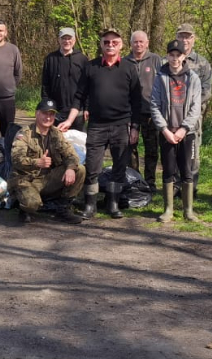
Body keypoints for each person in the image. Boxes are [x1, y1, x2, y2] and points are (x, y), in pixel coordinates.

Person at [62, 27, 142, 219]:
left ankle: (113, 205)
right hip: (97, 126)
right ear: (101, 45)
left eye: (114, 43)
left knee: (119, 167)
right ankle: (91, 205)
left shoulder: (129, 68)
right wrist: (70, 120)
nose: (110, 46)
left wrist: (135, 128)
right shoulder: (91, 67)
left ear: (121, 45)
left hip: (121, 126)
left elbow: (137, 101)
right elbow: (79, 97)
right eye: (107, 42)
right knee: (92, 167)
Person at [149, 39, 202, 223]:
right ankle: (168, 209)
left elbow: (196, 107)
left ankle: (188, 211)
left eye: (178, 55)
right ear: (167, 56)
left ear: (184, 56)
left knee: (187, 170)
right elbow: (154, 105)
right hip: (167, 133)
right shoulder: (160, 77)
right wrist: (164, 130)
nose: (174, 59)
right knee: (168, 170)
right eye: (171, 55)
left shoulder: (193, 78)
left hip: (186, 134)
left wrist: (184, 129)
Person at [9, 98, 86, 224]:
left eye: (51, 114)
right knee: (32, 204)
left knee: (80, 169)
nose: (48, 118)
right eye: (45, 113)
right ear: (37, 113)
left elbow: (71, 154)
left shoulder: (56, 133)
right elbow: (16, 159)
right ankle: (24, 209)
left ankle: (63, 209)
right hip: (27, 179)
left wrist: (70, 168)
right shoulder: (25, 133)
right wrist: (37, 162)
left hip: (48, 179)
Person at [127, 30, 162, 186]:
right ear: (131, 44)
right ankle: (135, 181)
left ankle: (150, 182)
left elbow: (163, 85)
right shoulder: (124, 61)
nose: (138, 44)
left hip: (151, 113)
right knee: (130, 149)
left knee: (152, 150)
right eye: (135, 41)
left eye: (141, 41)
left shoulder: (156, 60)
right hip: (129, 113)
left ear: (147, 43)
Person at [41, 27, 88, 133]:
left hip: (77, 111)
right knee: (55, 143)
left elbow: (87, 86)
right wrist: (45, 105)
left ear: (74, 40)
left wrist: (87, 107)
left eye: (69, 38)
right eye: (64, 38)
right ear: (59, 40)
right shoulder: (50, 59)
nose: (67, 41)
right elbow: (45, 84)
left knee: (78, 144)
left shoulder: (82, 59)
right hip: (55, 110)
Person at [176, 23, 212, 110]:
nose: (184, 40)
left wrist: (190, 106)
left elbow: (206, 91)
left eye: (188, 37)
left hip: (193, 112)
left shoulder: (202, 63)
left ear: (193, 39)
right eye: (181, 36)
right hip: (170, 112)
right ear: (176, 38)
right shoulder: (165, 61)